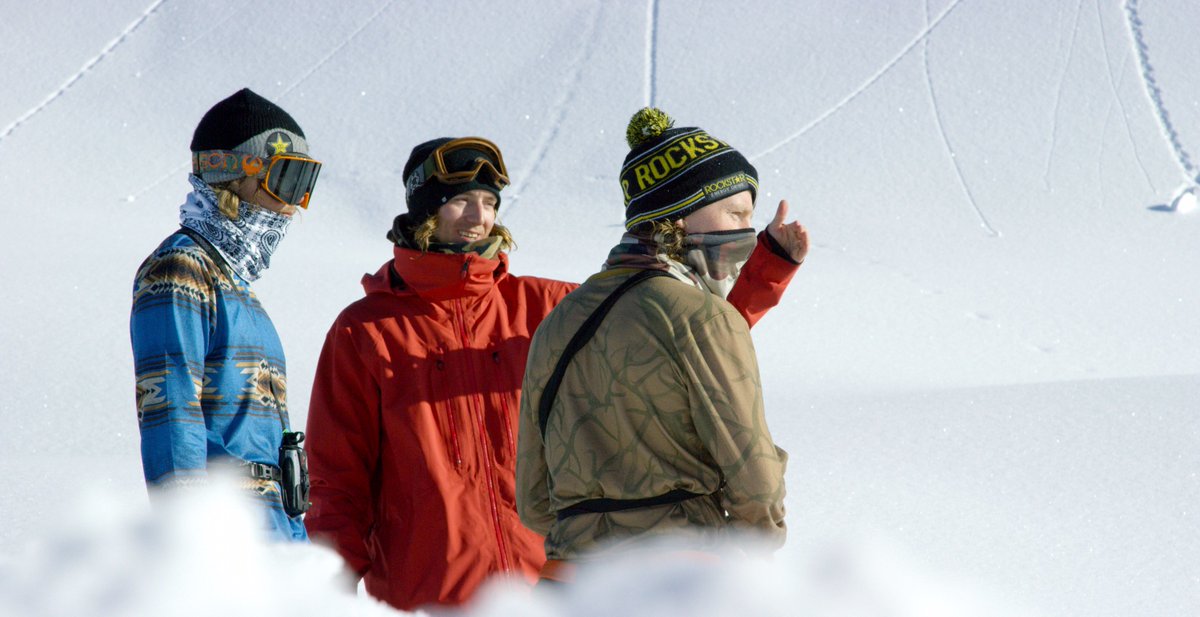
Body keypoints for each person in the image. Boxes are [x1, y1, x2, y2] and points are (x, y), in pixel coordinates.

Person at [303, 133, 804, 611]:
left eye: (491, 202)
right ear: (424, 210)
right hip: (427, 600)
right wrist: (328, 596)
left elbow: (685, 341)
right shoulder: (364, 332)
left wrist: (764, 271)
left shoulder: (549, 307)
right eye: (461, 201)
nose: (480, 217)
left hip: (550, 588)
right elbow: (338, 486)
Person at [516, 108, 805, 581]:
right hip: (676, 581)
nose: (746, 231)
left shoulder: (560, 319)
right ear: (679, 213)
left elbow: (533, 502)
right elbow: (755, 481)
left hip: (569, 586)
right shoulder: (703, 317)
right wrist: (754, 551)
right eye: (735, 213)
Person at [130, 88, 322, 542]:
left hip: (278, 532)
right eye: (287, 181)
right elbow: (171, 410)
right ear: (236, 175)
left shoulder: (236, 285)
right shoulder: (180, 269)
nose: (293, 205)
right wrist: (193, 546)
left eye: (305, 185)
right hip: (230, 539)